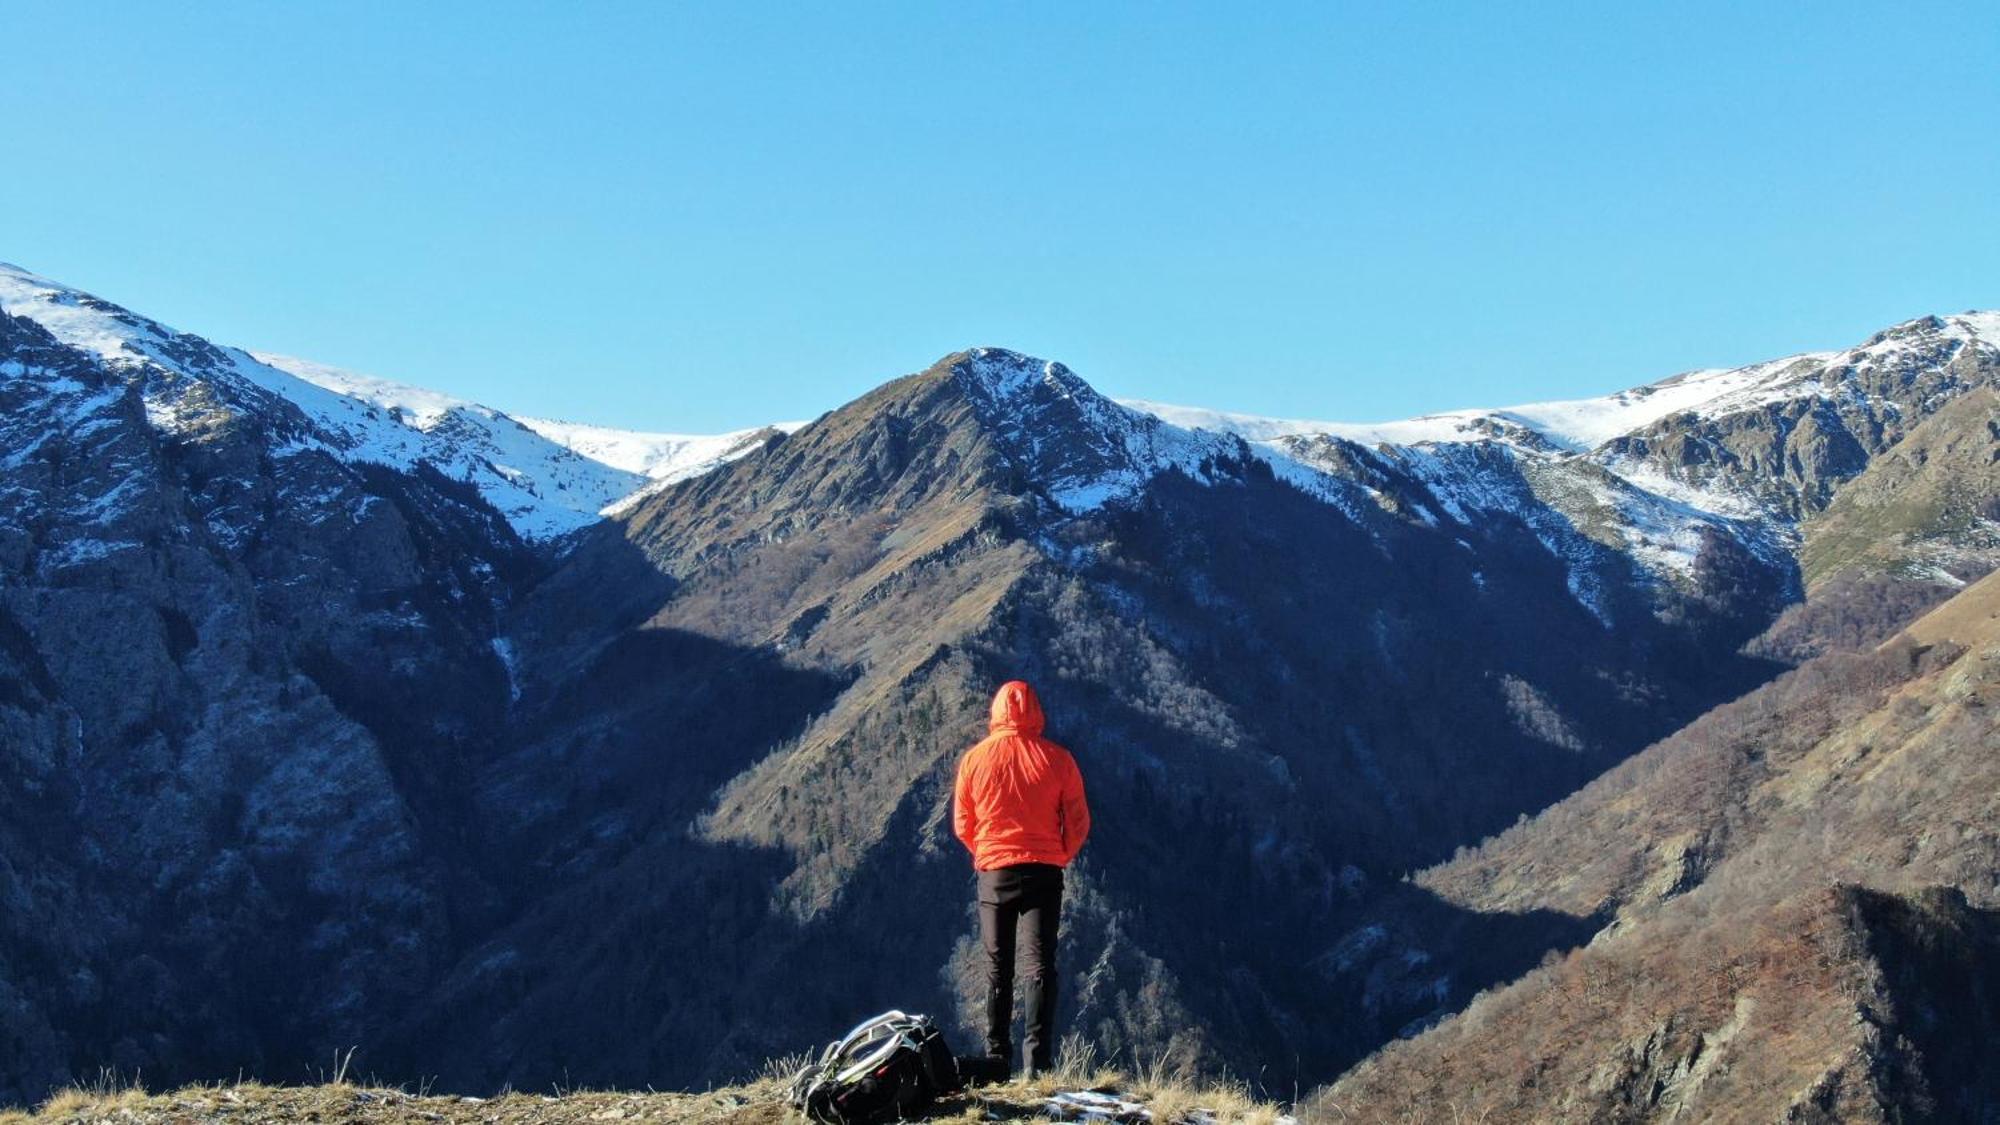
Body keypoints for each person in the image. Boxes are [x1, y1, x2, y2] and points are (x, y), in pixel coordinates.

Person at [952, 680, 1091, 1080]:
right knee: (1040, 965)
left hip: (995, 872)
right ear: (1036, 712)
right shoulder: (1058, 759)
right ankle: (1038, 1063)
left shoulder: (975, 759)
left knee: (999, 968)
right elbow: (1079, 820)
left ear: (996, 712)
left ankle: (996, 1059)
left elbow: (964, 822)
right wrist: (1059, 854)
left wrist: (985, 853)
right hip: (1044, 871)